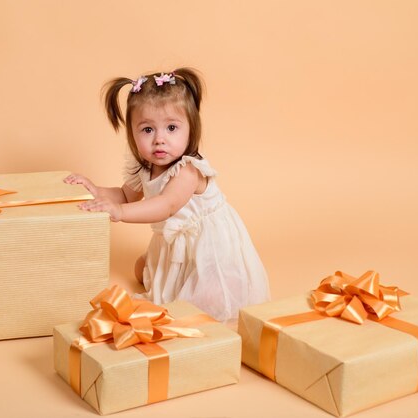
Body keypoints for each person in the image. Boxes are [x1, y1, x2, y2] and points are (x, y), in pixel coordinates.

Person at [64, 68, 269, 321]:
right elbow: (126, 196)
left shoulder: (188, 170)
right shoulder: (146, 167)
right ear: (132, 133)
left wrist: (119, 213)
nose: (159, 139)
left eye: (172, 128)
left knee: (208, 301)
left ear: (191, 129)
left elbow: (167, 205)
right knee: (141, 270)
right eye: (147, 130)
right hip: (175, 243)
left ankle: (224, 284)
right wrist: (95, 190)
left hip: (208, 245)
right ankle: (179, 276)